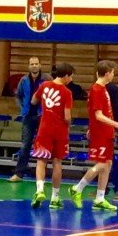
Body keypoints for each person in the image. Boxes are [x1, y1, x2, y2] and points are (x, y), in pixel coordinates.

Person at [65, 61, 118, 211]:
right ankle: (77, 188)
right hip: (101, 133)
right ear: (108, 73)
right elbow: (98, 115)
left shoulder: (103, 89)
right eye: (113, 72)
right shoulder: (96, 90)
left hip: (105, 132)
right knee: (102, 164)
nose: (114, 75)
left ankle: (100, 198)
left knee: (108, 164)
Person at [28, 62, 77, 209]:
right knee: (57, 162)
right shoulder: (67, 92)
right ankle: (55, 198)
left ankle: (39, 190)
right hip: (60, 131)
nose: (71, 79)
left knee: (41, 161)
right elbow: (67, 116)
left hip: (45, 129)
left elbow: (33, 100)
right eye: (71, 76)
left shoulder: (44, 85)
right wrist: (69, 124)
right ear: (66, 76)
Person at [9, 57, 46, 183]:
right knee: (25, 145)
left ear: (40, 65)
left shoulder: (46, 79)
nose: (34, 66)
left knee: (44, 146)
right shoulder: (23, 80)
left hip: (43, 116)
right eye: (32, 64)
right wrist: (23, 108)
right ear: (29, 66)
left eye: (36, 64)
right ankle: (19, 173)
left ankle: (43, 174)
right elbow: (18, 96)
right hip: (28, 116)